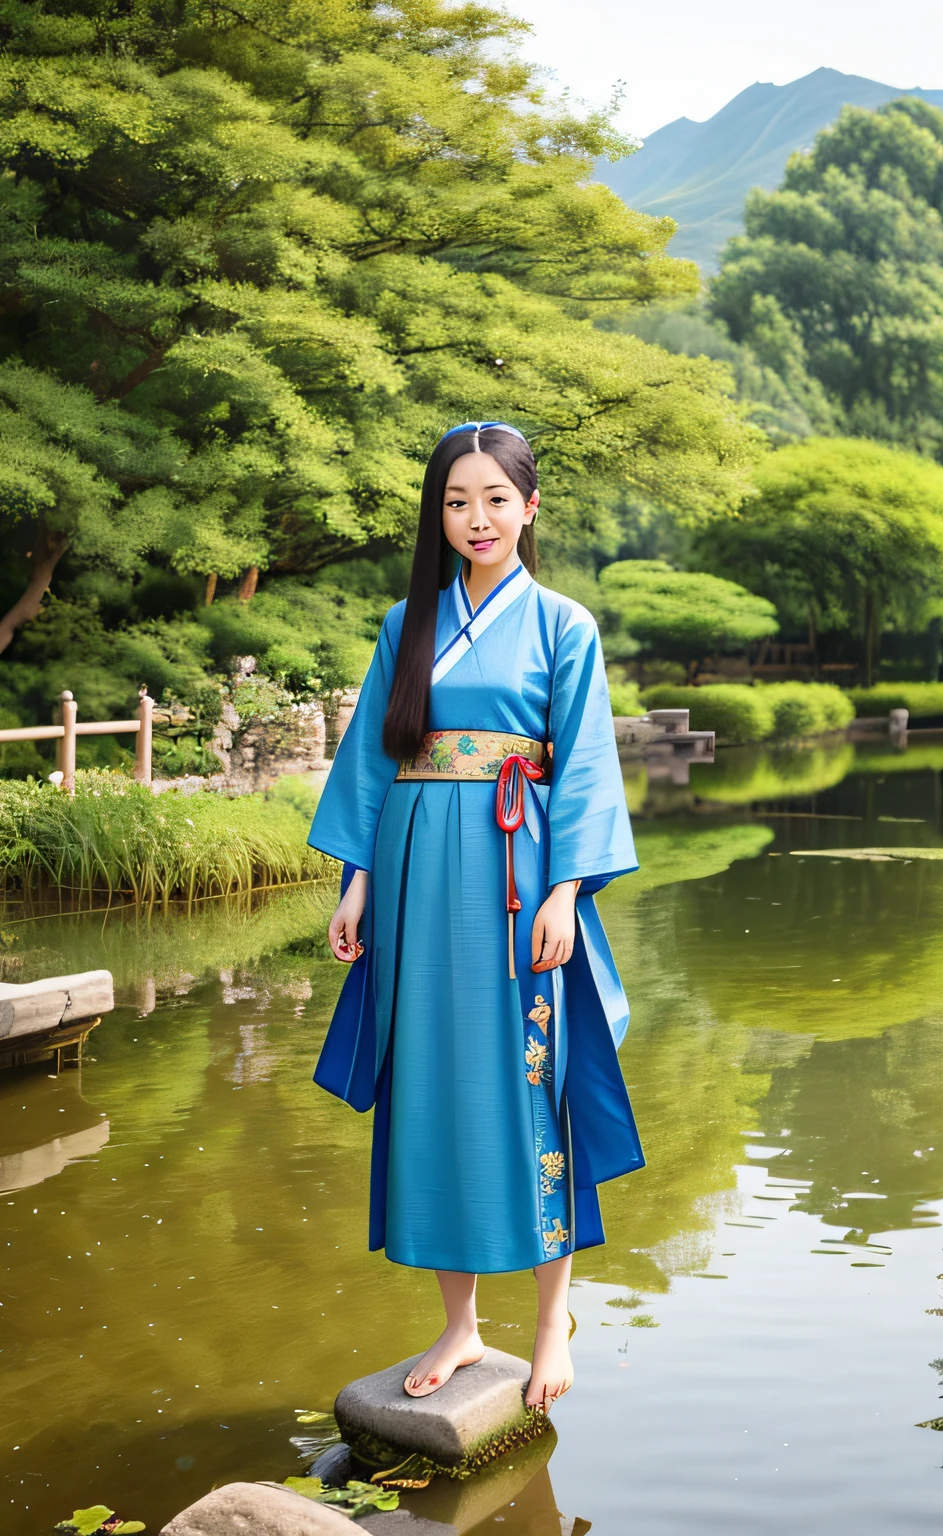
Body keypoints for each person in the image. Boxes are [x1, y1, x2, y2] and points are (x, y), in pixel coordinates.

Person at [308, 422, 643, 1414]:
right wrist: (356, 883)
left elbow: (584, 764)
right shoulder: (404, 623)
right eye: (458, 501)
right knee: (432, 1084)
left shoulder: (563, 626)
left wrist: (566, 891)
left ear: (529, 506)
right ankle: (460, 1322)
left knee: (530, 1085)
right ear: (438, 513)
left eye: (497, 498)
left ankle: (550, 1326)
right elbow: (373, 757)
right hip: (415, 876)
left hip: (518, 868)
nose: (478, 518)